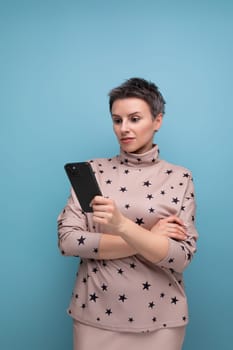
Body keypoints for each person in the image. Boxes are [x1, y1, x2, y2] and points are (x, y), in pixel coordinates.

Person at [57, 77, 198, 350]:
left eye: (134, 119)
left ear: (157, 120)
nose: (124, 129)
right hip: (94, 314)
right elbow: (69, 241)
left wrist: (121, 225)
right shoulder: (92, 170)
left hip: (162, 318)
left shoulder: (180, 177)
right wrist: (148, 237)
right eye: (117, 120)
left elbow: (180, 258)